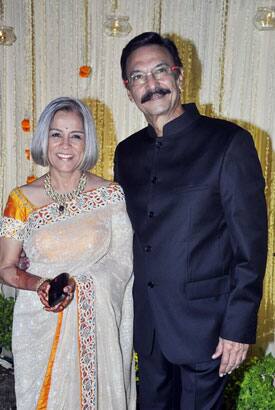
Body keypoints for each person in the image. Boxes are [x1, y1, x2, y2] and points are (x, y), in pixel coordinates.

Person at [114, 32, 268, 409]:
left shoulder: (229, 143)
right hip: (148, 329)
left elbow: (251, 246)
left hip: (207, 329)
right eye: (138, 77)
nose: (151, 85)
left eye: (160, 71)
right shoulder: (126, 153)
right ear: (128, 89)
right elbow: (118, 232)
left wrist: (238, 327)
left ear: (179, 75)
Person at [0, 97, 136, 410]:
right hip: (40, 322)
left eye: (76, 135)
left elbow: (121, 263)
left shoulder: (110, 195)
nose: (65, 144)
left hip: (98, 324)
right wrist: (40, 284)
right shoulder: (20, 200)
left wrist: (84, 285)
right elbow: (6, 267)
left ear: (87, 142)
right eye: (56, 134)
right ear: (43, 140)